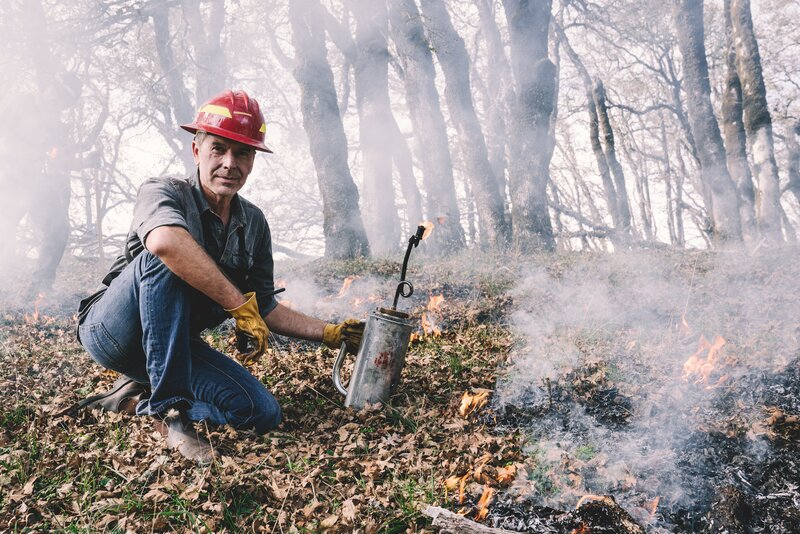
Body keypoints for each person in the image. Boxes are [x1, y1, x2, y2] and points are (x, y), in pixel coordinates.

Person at [75, 89, 364, 463]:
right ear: (197, 150)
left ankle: (136, 397)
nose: (230, 163)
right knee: (164, 259)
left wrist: (330, 333)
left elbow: (264, 306)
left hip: (172, 345)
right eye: (218, 149)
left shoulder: (254, 223)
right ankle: (173, 416)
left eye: (242, 152)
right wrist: (236, 305)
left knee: (260, 412)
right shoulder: (162, 191)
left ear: (254, 159)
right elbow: (164, 243)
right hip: (113, 332)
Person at [0, 71, 90, 297]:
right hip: (8, 177)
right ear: (50, 85)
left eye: (63, 100)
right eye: (57, 92)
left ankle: (40, 287)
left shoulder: (56, 127)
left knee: (58, 227)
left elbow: (58, 159)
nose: (56, 99)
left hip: (34, 183)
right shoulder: (20, 103)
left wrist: (85, 161)